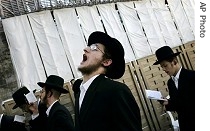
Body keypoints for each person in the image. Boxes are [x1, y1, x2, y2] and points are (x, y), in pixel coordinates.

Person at [73, 31, 142, 131]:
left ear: (106, 62)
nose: (86, 49)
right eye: (89, 46)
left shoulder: (116, 91)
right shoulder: (80, 93)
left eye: (94, 48)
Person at [153, 46, 195, 131]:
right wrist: (167, 102)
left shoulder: (192, 76)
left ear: (174, 61)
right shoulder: (170, 83)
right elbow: (177, 105)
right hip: (185, 125)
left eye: (165, 65)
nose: (164, 69)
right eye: (162, 67)